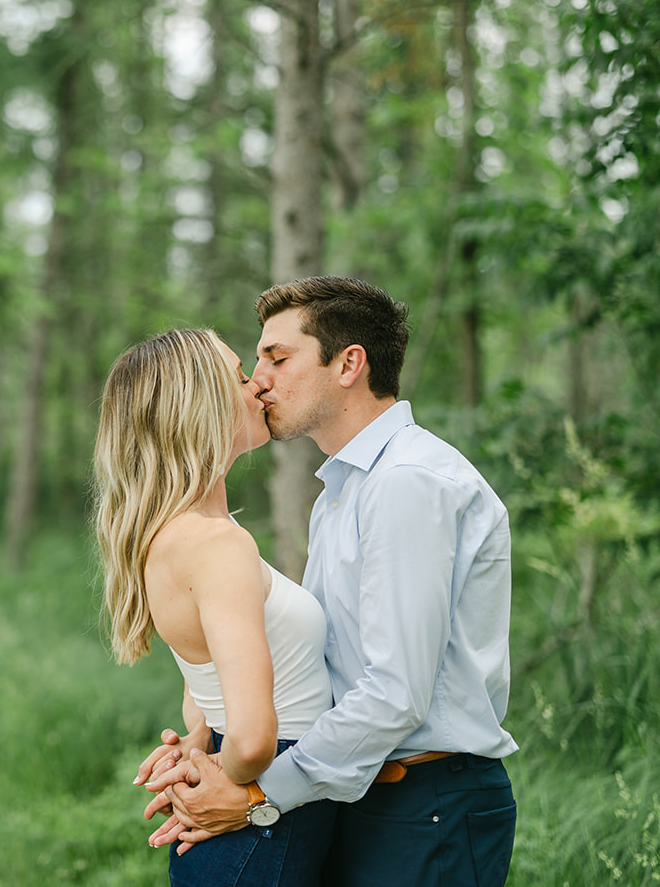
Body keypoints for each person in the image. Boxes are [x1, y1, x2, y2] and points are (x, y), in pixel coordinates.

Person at [142, 277, 518, 887]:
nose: (259, 380)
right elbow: (323, 666)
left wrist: (259, 792)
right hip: (355, 792)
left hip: (428, 806)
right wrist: (207, 738)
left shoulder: (408, 482)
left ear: (348, 365)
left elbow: (395, 692)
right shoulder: (343, 491)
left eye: (277, 358)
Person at [94, 328, 340, 886]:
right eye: (237, 375)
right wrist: (230, 784)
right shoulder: (217, 546)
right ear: (199, 404)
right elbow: (253, 740)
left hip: (255, 826)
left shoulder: (179, 534)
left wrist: (199, 747)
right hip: (261, 825)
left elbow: (204, 692)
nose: (257, 385)